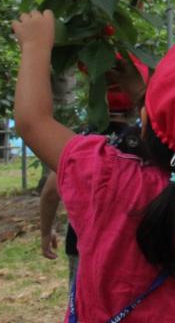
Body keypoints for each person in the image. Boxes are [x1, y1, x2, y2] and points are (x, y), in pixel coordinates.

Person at [13, 10, 175, 321]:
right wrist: (141, 91)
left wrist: (35, 45)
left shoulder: (106, 176)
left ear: (144, 119)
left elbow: (33, 122)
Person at [40, 52, 150, 285]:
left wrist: (45, 231)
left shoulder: (82, 142)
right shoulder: (146, 143)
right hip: (129, 246)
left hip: (83, 245)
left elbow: (51, 192)